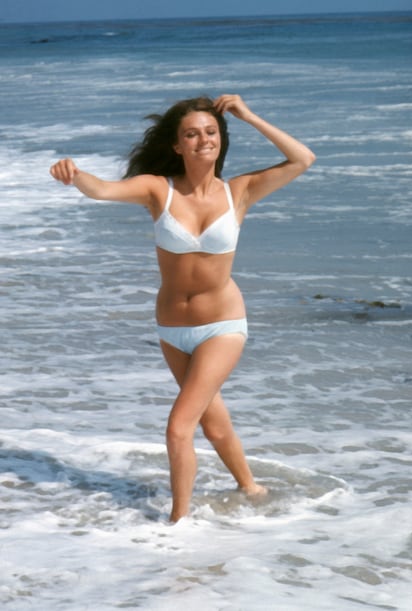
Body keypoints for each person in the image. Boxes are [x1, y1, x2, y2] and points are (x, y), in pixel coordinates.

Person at [50, 94, 315, 522]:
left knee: (178, 428)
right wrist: (74, 174)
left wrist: (247, 116)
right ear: (177, 145)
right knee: (212, 423)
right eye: (191, 134)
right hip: (173, 328)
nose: (202, 140)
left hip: (223, 324)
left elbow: (302, 158)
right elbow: (101, 190)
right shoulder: (159, 189)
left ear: (221, 141)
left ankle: (178, 525)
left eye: (210, 133)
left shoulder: (239, 192)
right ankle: (251, 487)